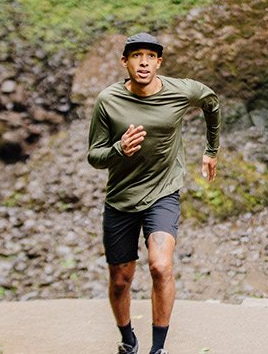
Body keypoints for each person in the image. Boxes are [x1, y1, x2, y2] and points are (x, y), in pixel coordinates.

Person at [87, 32, 221, 354]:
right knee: (121, 279)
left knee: (160, 265)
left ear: (159, 62)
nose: (143, 61)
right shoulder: (108, 101)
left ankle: (158, 349)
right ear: (125, 62)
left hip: (163, 191)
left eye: (150, 56)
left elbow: (211, 102)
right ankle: (128, 340)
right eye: (136, 56)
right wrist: (119, 149)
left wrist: (211, 149)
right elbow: (94, 155)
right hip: (121, 198)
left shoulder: (180, 91)